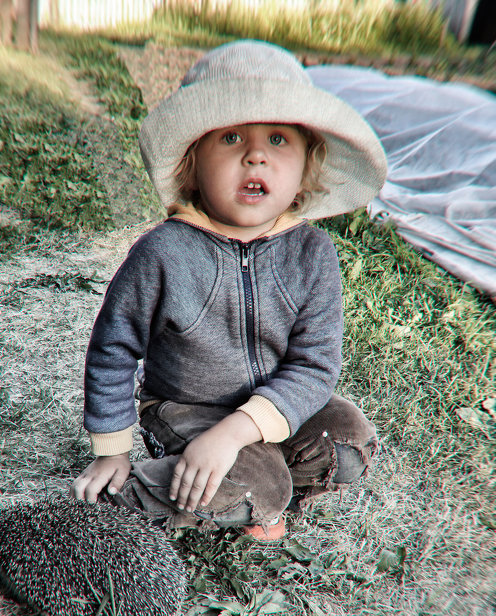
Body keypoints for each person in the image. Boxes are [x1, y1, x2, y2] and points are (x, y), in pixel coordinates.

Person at [71, 40, 387, 541]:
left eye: (279, 140)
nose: (256, 155)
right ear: (193, 164)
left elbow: (314, 366)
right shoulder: (164, 253)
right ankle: (125, 503)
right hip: (185, 408)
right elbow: (112, 349)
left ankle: (256, 484)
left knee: (347, 439)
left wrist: (239, 430)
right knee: (257, 484)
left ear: (307, 166)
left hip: (266, 409)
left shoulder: (313, 255)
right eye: (233, 137)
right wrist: (113, 448)